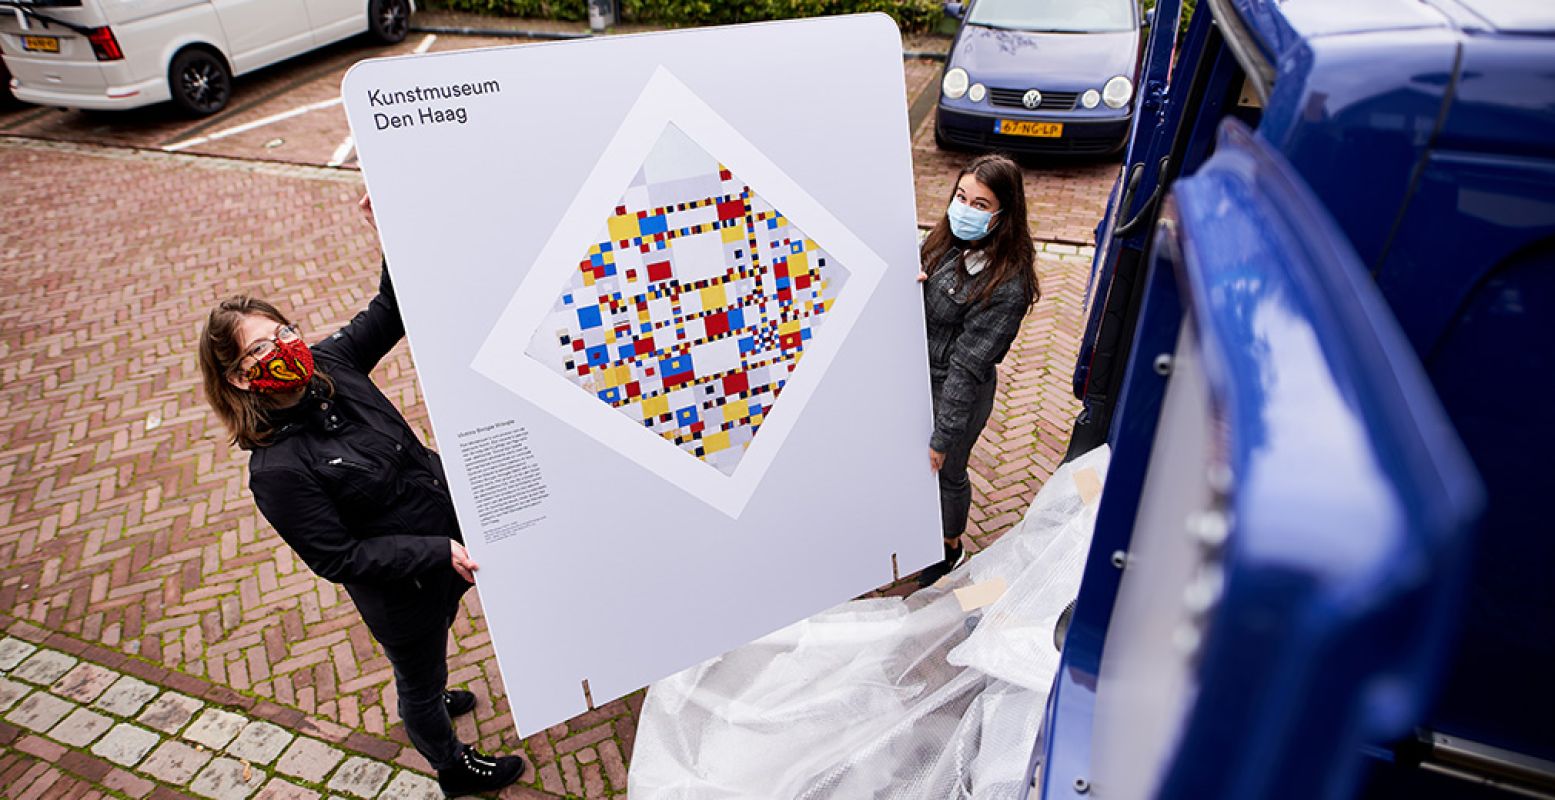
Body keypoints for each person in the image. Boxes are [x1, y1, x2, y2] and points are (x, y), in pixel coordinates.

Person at [196, 195, 525, 797]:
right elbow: (337, 558)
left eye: (283, 332)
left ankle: (432, 680)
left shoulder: (331, 362)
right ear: (240, 377)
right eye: (261, 349)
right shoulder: (276, 470)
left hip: (449, 537)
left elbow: (392, 309)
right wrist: (432, 551)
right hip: (408, 583)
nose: (284, 349)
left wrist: (390, 230)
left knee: (440, 639)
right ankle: (452, 766)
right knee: (418, 681)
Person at [917, 154, 1040, 586]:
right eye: (961, 197)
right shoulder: (945, 243)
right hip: (919, 379)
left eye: (980, 204)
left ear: (1003, 215)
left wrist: (944, 434)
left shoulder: (1009, 284)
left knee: (947, 470)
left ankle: (949, 548)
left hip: (956, 391)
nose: (964, 209)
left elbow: (967, 367)